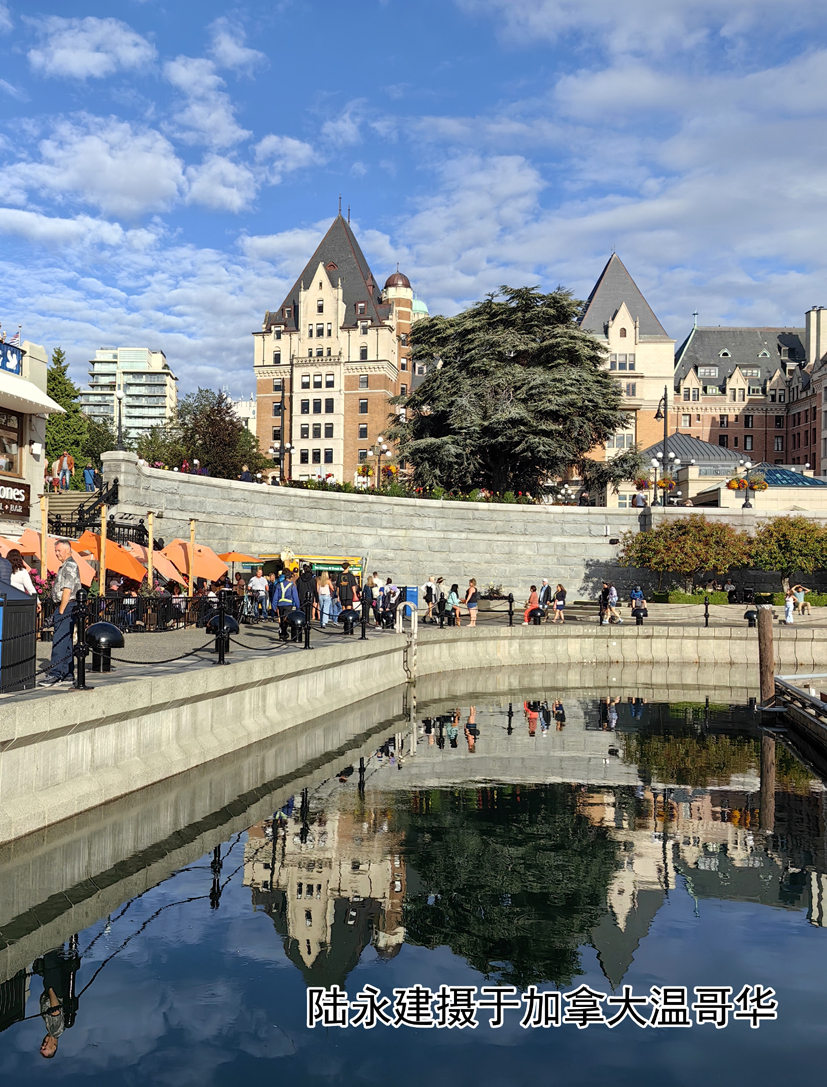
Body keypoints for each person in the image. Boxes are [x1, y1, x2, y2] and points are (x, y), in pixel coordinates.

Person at [39, 539, 81, 687]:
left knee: (59, 640)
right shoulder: (67, 565)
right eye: (55, 551)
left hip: (66, 605)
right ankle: (67, 673)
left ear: (68, 550)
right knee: (66, 640)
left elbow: (67, 590)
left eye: (59, 550)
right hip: (68, 605)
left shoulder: (69, 566)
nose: (57, 554)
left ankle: (55, 674)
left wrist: (61, 610)